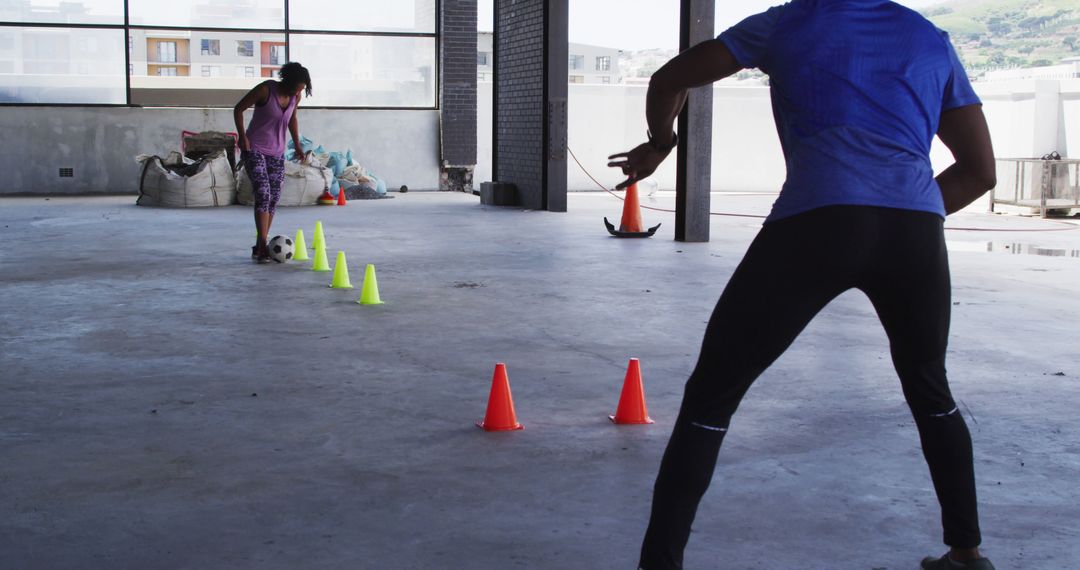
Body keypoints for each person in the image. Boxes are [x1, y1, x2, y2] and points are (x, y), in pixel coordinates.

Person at [607, 1, 997, 569]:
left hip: (818, 221)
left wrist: (661, 141)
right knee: (929, 389)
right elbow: (981, 171)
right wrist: (905, 211)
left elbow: (671, 78)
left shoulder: (788, 22)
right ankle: (966, 553)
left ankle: (659, 564)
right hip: (913, 233)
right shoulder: (928, 37)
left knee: (712, 396)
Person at [233, 62, 311, 263]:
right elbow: (238, 109)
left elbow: (292, 119)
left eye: (302, 88)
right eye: (298, 87)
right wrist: (242, 137)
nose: (299, 91)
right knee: (263, 193)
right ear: (289, 81)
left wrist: (297, 145)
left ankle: (261, 243)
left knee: (274, 197)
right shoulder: (266, 89)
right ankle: (262, 243)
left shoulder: (295, 96)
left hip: (277, 152)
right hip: (255, 148)